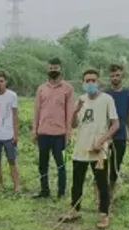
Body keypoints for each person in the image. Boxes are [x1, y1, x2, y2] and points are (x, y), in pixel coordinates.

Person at [61, 68, 120, 229]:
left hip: (98, 150)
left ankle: (103, 214)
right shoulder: (80, 99)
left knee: (102, 183)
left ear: (99, 82)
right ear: (83, 83)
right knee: (77, 182)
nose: (91, 83)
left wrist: (102, 141)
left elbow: (116, 124)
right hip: (81, 148)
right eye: (87, 81)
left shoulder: (107, 99)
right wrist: (75, 110)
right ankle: (74, 209)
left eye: (93, 80)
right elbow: (73, 124)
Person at [31, 58, 75, 199]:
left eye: (55, 68)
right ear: (47, 69)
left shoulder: (68, 88)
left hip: (60, 134)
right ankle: (44, 191)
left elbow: (70, 113)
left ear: (60, 69)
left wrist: (69, 133)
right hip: (43, 133)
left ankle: (61, 192)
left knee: (60, 164)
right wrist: (34, 130)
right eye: (51, 68)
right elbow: (37, 110)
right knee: (43, 164)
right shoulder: (41, 88)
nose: (53, 70)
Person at [104, 64, 129, 202]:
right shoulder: (104, 94)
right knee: (102, 165)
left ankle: (111, 193)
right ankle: (101, 193)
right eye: (112, 75)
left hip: (121, 135)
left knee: (116, 165)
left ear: (122, 76)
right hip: (105, 136)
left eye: (117, 75)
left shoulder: (128, 94)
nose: (115, 78)